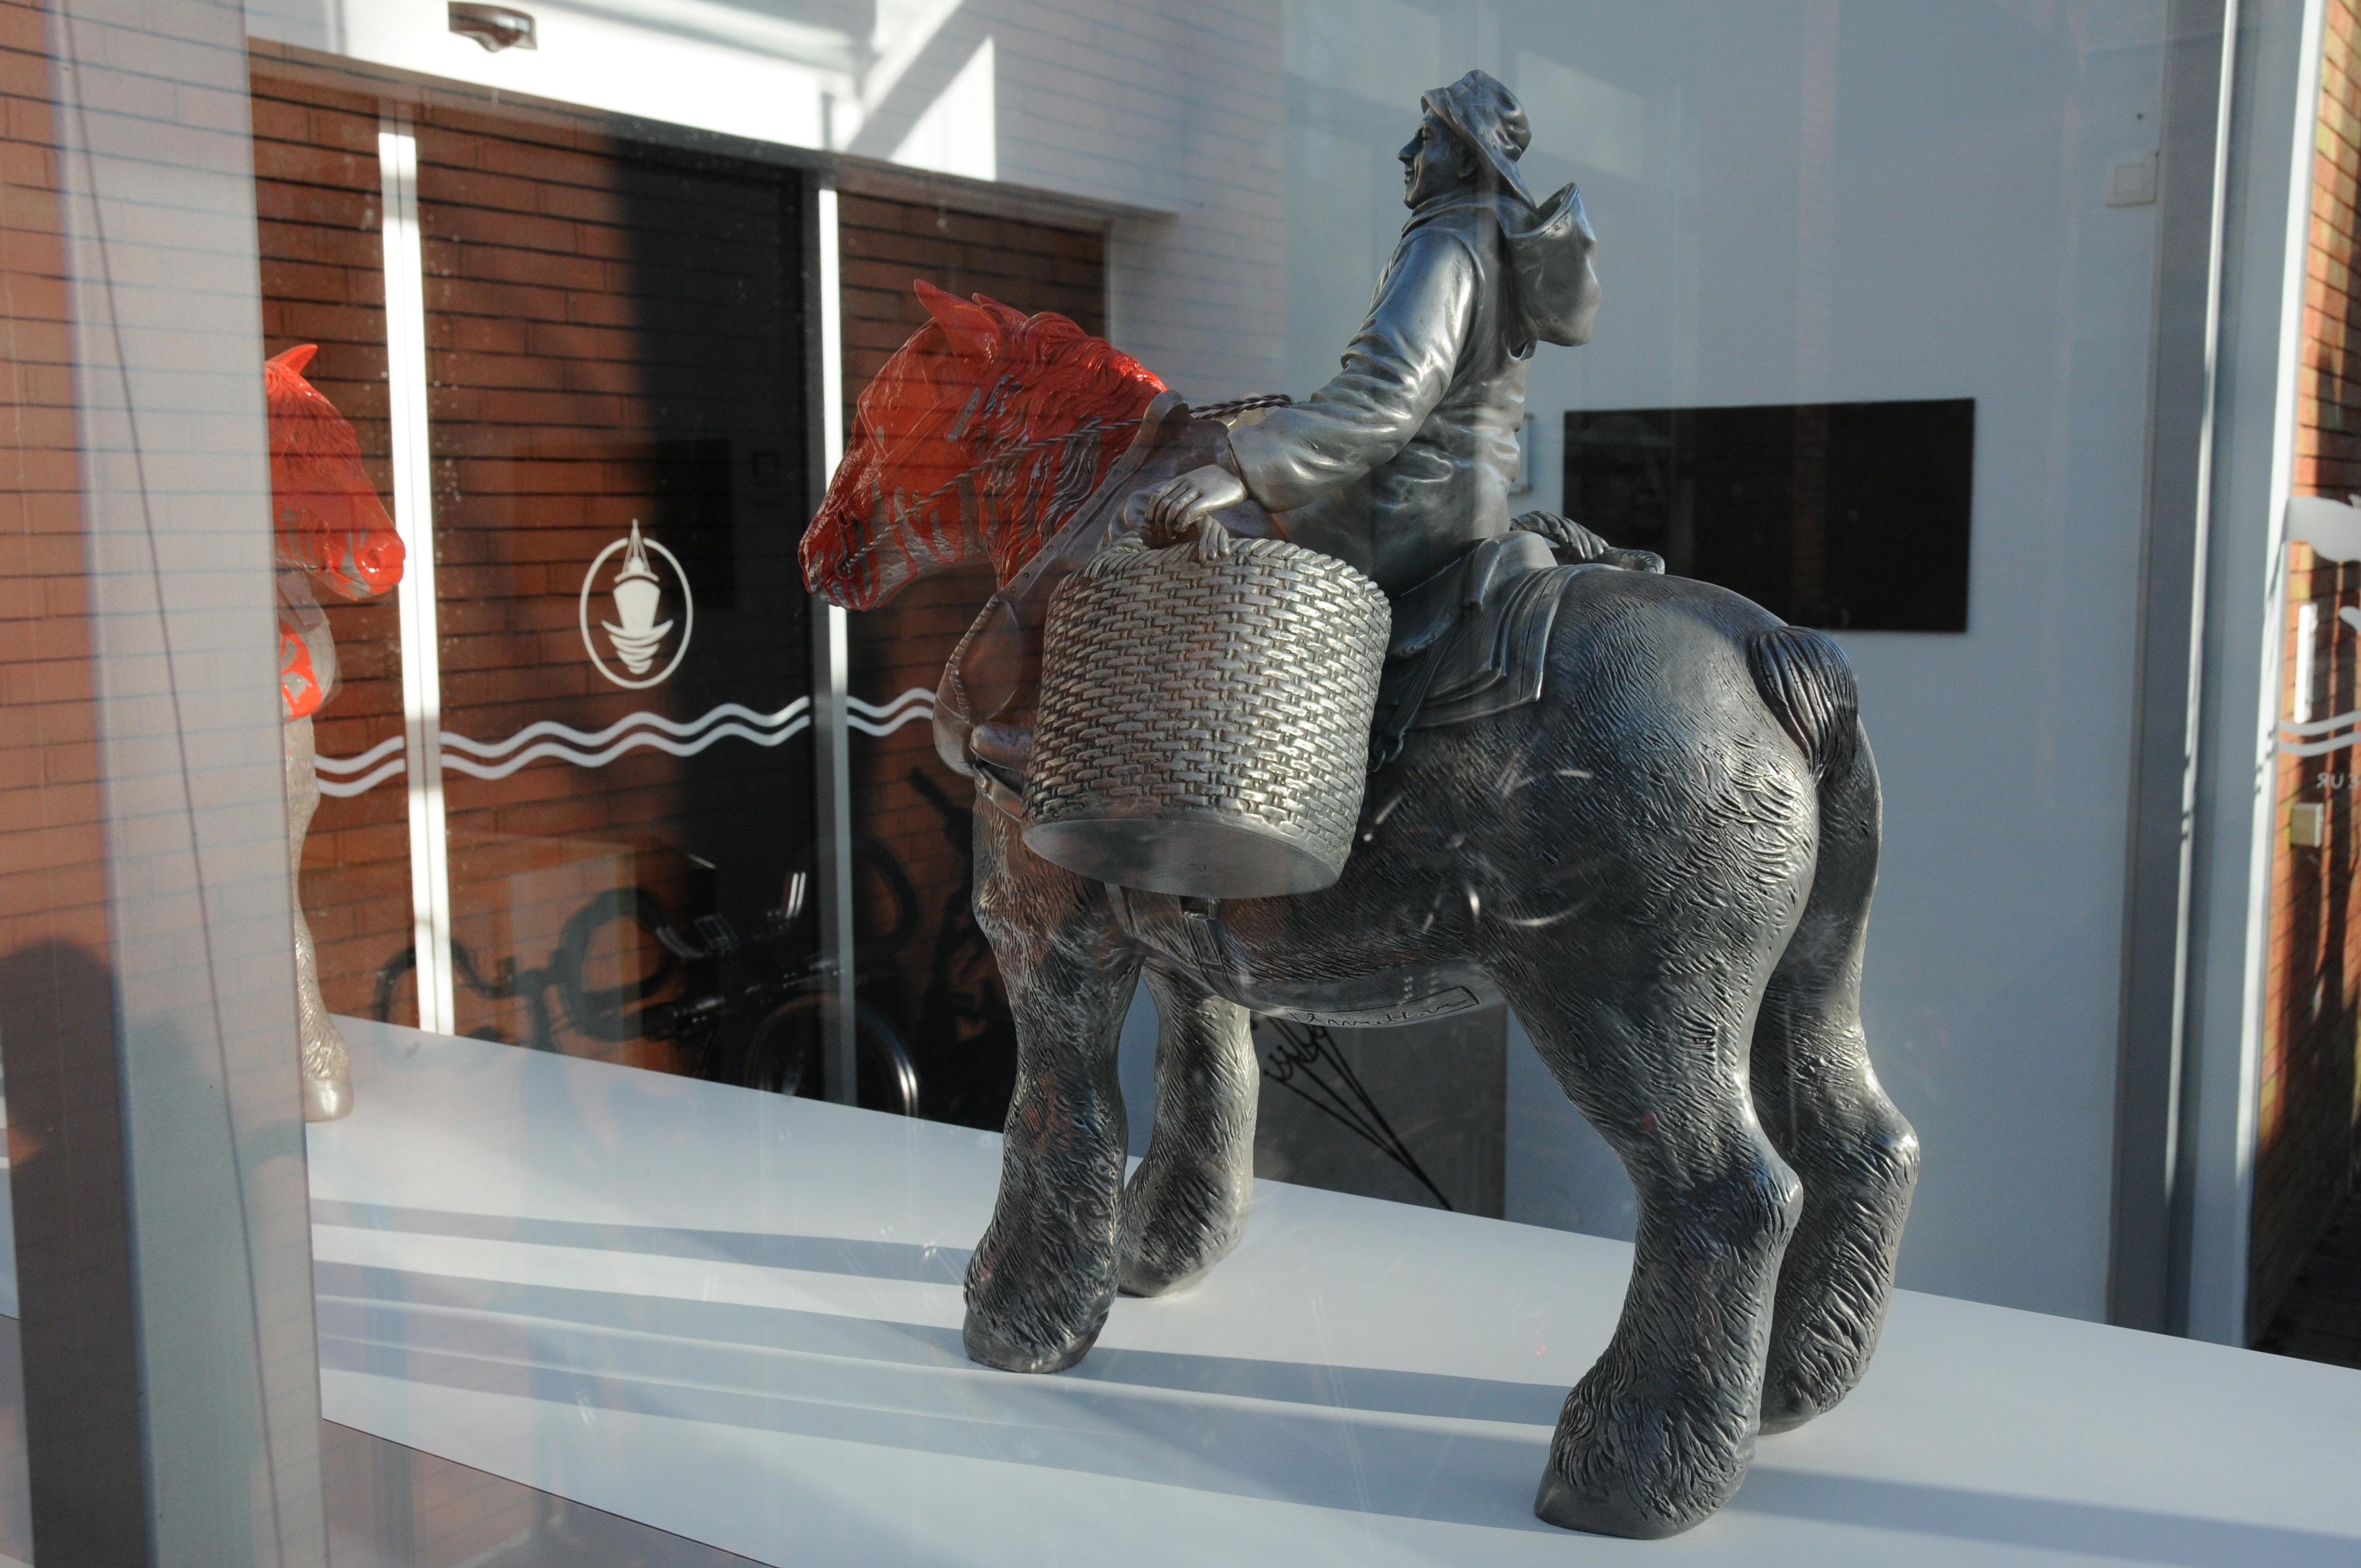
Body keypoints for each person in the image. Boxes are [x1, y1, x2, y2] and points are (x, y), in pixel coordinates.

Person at [1138, 69, 1601, 598]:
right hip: (1472, 508)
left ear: (1467, 160)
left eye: (1425, 138)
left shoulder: (1447, 243)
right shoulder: (1495, 243)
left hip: (1402, 511)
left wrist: (1238, 468)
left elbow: (1385, 398)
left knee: (1152, 523)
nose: (1406, 153)